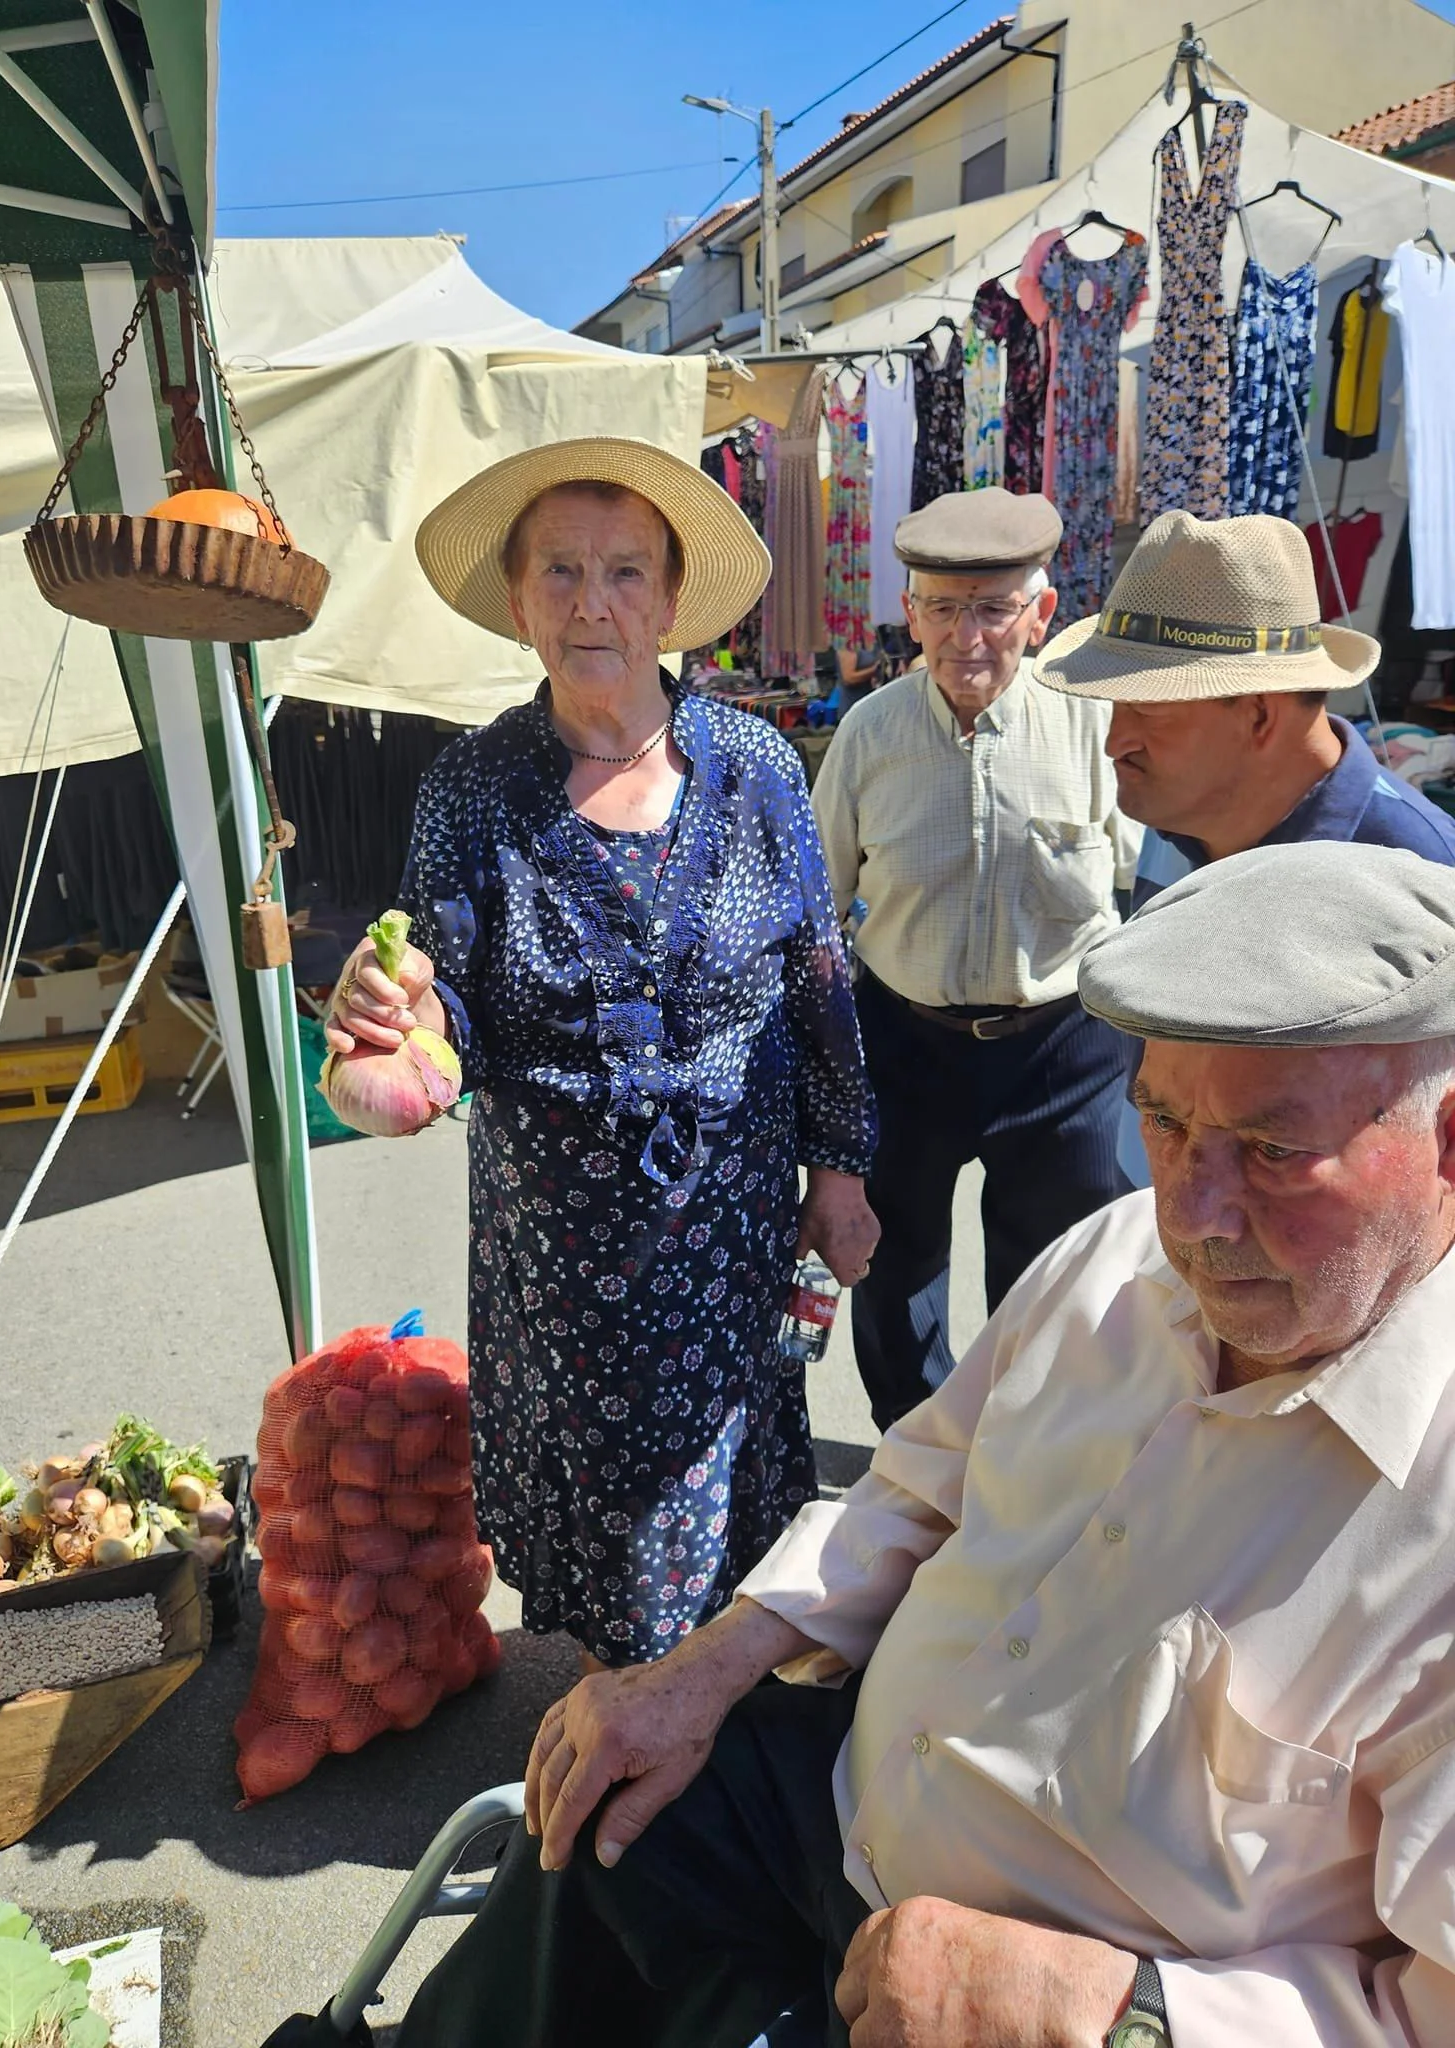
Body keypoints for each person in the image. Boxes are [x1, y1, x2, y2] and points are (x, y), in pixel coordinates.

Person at [399, 839, 1455, 2048]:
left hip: (1042, 2017)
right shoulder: (1112, 1255)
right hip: (834, 1808)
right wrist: (712, 1662)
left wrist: (1120, 2011)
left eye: (1273, 1151)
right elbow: (913, 1486)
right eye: (1162, 1122)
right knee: (598, 1818)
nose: (1193, 1214)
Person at [325, 437, 878, 1669]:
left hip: (734, 1231)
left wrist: (840, 1172)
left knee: (737, 1485)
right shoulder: (471, 786)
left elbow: (819, 983)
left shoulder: (759, 768)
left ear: (673, 603)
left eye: (627, 571)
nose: (594, 601)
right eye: (561, 570)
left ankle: (712, 1725)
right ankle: (629, 1737)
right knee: (616, 1532)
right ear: (518, 601)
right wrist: (392, 1013)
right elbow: (444, 1009)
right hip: (566, 1250)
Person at [812, 486, 1141, 1429]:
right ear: (910, 613)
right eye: (943, 609)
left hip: (1064, 1047)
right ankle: (918, 1455)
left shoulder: (1095, 726)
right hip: (904, 1040)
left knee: (1056, 1273)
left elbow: (1147, 897)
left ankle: (1025, 1459)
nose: (967, 638)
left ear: (1039, 616)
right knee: (892, 1262)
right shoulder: (869, 736)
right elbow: (816, 915)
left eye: (993, 609)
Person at [1037, 507, 1455, 1181]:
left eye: (1148, 707)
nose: (1116, 741)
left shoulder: (1421, 875)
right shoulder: (1179, 817)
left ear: (1260, 712)